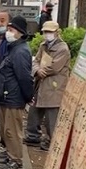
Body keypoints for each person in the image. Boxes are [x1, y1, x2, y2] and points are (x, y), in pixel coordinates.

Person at [0, 17, 33, 169]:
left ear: (20, 33)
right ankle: (11, 155)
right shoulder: (13, 48)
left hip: (13, 97)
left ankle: (16, 160)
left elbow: (24, 77)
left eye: (11, 30)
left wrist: (28, 96)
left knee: (12, 131)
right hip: (6, 96)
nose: (8, 33)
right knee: (6, 129)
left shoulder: (20, 52)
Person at [25, 21, 70, 151]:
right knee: (34, 112)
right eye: (45, 32)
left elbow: (55, 67)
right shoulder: (43, 45)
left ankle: (52, 141)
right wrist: (37, 70)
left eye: (50, 32)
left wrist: (41, 70)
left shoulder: (63, 48)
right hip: (41, 83)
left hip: (54, 85)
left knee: (52, 117)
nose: (47, 34)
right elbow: (35, 61)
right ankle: (32, 136)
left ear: (57, 32)